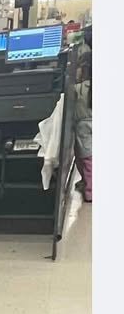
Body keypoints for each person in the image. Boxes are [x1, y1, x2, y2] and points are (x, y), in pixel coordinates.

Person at [73, 25, 92, 203]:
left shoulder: (80, 88)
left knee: (86, 157)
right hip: (89, 121)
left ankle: (90, 190)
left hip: (83, 124)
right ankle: (87, 184)